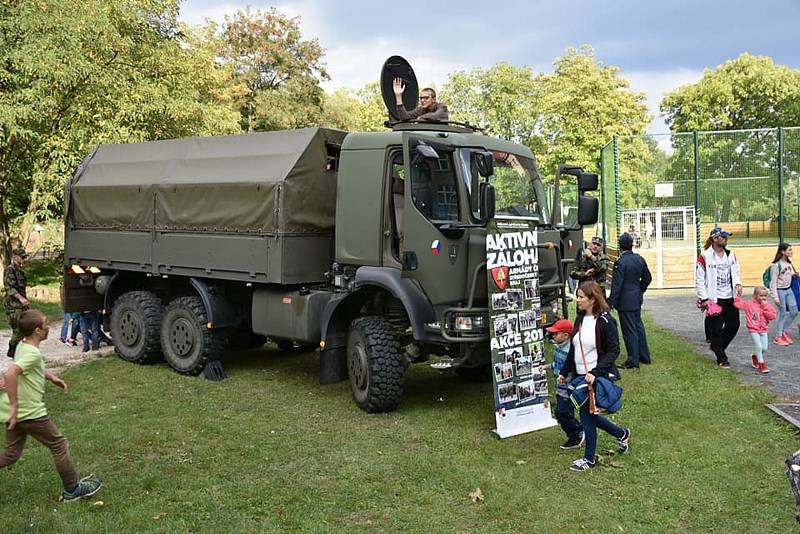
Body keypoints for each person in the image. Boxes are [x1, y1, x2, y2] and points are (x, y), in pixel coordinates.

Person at [0, 309, 102, 501]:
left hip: (16, 414)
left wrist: (52, 377)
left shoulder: (23, 346)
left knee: (11, 454)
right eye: (45, 325)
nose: (47, 328)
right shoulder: (32, 354)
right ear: (38, 330)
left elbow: (30, 367)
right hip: (29, 412)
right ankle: (72, 489)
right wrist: (15, 406)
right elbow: (11, 373)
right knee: (59, 444)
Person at [558, 281, 630, 472]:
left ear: (592, 299)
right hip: (580, 376)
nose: (578, 299)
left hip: (594, 377)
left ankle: (589, 459)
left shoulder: (606, 320)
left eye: (581, 296)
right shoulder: (580, 318)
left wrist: (595, 373)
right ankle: (622, 433)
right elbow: (575, 348)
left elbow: (614, 350)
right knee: (589, 415)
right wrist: (564, 373)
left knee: (586, 416)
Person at [695, 227, 743, 368]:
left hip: (730, 296)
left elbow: (736, 271)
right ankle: (722, 358)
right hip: (714, 298)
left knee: (734, 324)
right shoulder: (705, 256)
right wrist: (704, 298)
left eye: (726, 237)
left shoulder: (731, 254)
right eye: (723, 237)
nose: (726, 239)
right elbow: (699, 278)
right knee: (715, 328)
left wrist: (738, 284)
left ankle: (717, 346)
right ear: (715, 239)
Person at [609, 233, 653, 369]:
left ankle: (633, 360)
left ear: (620, 246)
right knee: (638, 327)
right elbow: (648, 278)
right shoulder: (639, 259)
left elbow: (617, 285)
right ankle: (644, 356)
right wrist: (639, 291)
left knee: (629, 331)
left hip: (625, 301)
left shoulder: (620, 262)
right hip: (636, 298)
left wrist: (610, 302)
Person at [546, 319, 583, 450]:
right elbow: (558, 365)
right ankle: (575, 432)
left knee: (561, 412)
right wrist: (546, 367)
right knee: (564, 413)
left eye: (556, 334)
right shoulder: (559, 348)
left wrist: (567, 380)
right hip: (560, 388)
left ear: (566, 335)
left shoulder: (570, 351)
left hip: (567, 389)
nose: (553, 336)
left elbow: (573, 369)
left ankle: (577, 433)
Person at [734, 287, 777, 374]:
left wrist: (765, 308)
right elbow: (737, 304)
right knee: (759, 346)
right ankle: (762, 364)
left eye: (765, 296)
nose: (763, 298)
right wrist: (738, 295)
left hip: (763, 329)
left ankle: (755, 356)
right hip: (753, 328)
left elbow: (772, 316)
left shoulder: (767, 305)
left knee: (764, 348)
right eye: (761, 295)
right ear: (755, 296)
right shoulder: (749, 304)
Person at [767, 243, 799, 346]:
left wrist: (795, 275)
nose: (791, 252)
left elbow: (788, 276)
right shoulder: (776, 266)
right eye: (789, 250)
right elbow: (773, 282)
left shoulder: (789, 264)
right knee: (782, 313)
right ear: (782, 251)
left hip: (788, 290)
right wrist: (775, 297)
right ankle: (778, 336)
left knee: (794, 311)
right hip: (780, 291)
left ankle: (783, 331)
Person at [4, 247, 30, 358]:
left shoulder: (20, 270)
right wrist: (21, 299)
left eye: (24, 257)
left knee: (24, 327)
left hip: (21, 305)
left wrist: (25, 301)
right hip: (13, 306)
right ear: (14, 257)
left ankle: (16, 350)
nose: (24, 259)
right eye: (22, 257)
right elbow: (10, 288)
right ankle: (12, 349)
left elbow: (21, 289)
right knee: (18, 329)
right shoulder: (10, 270)